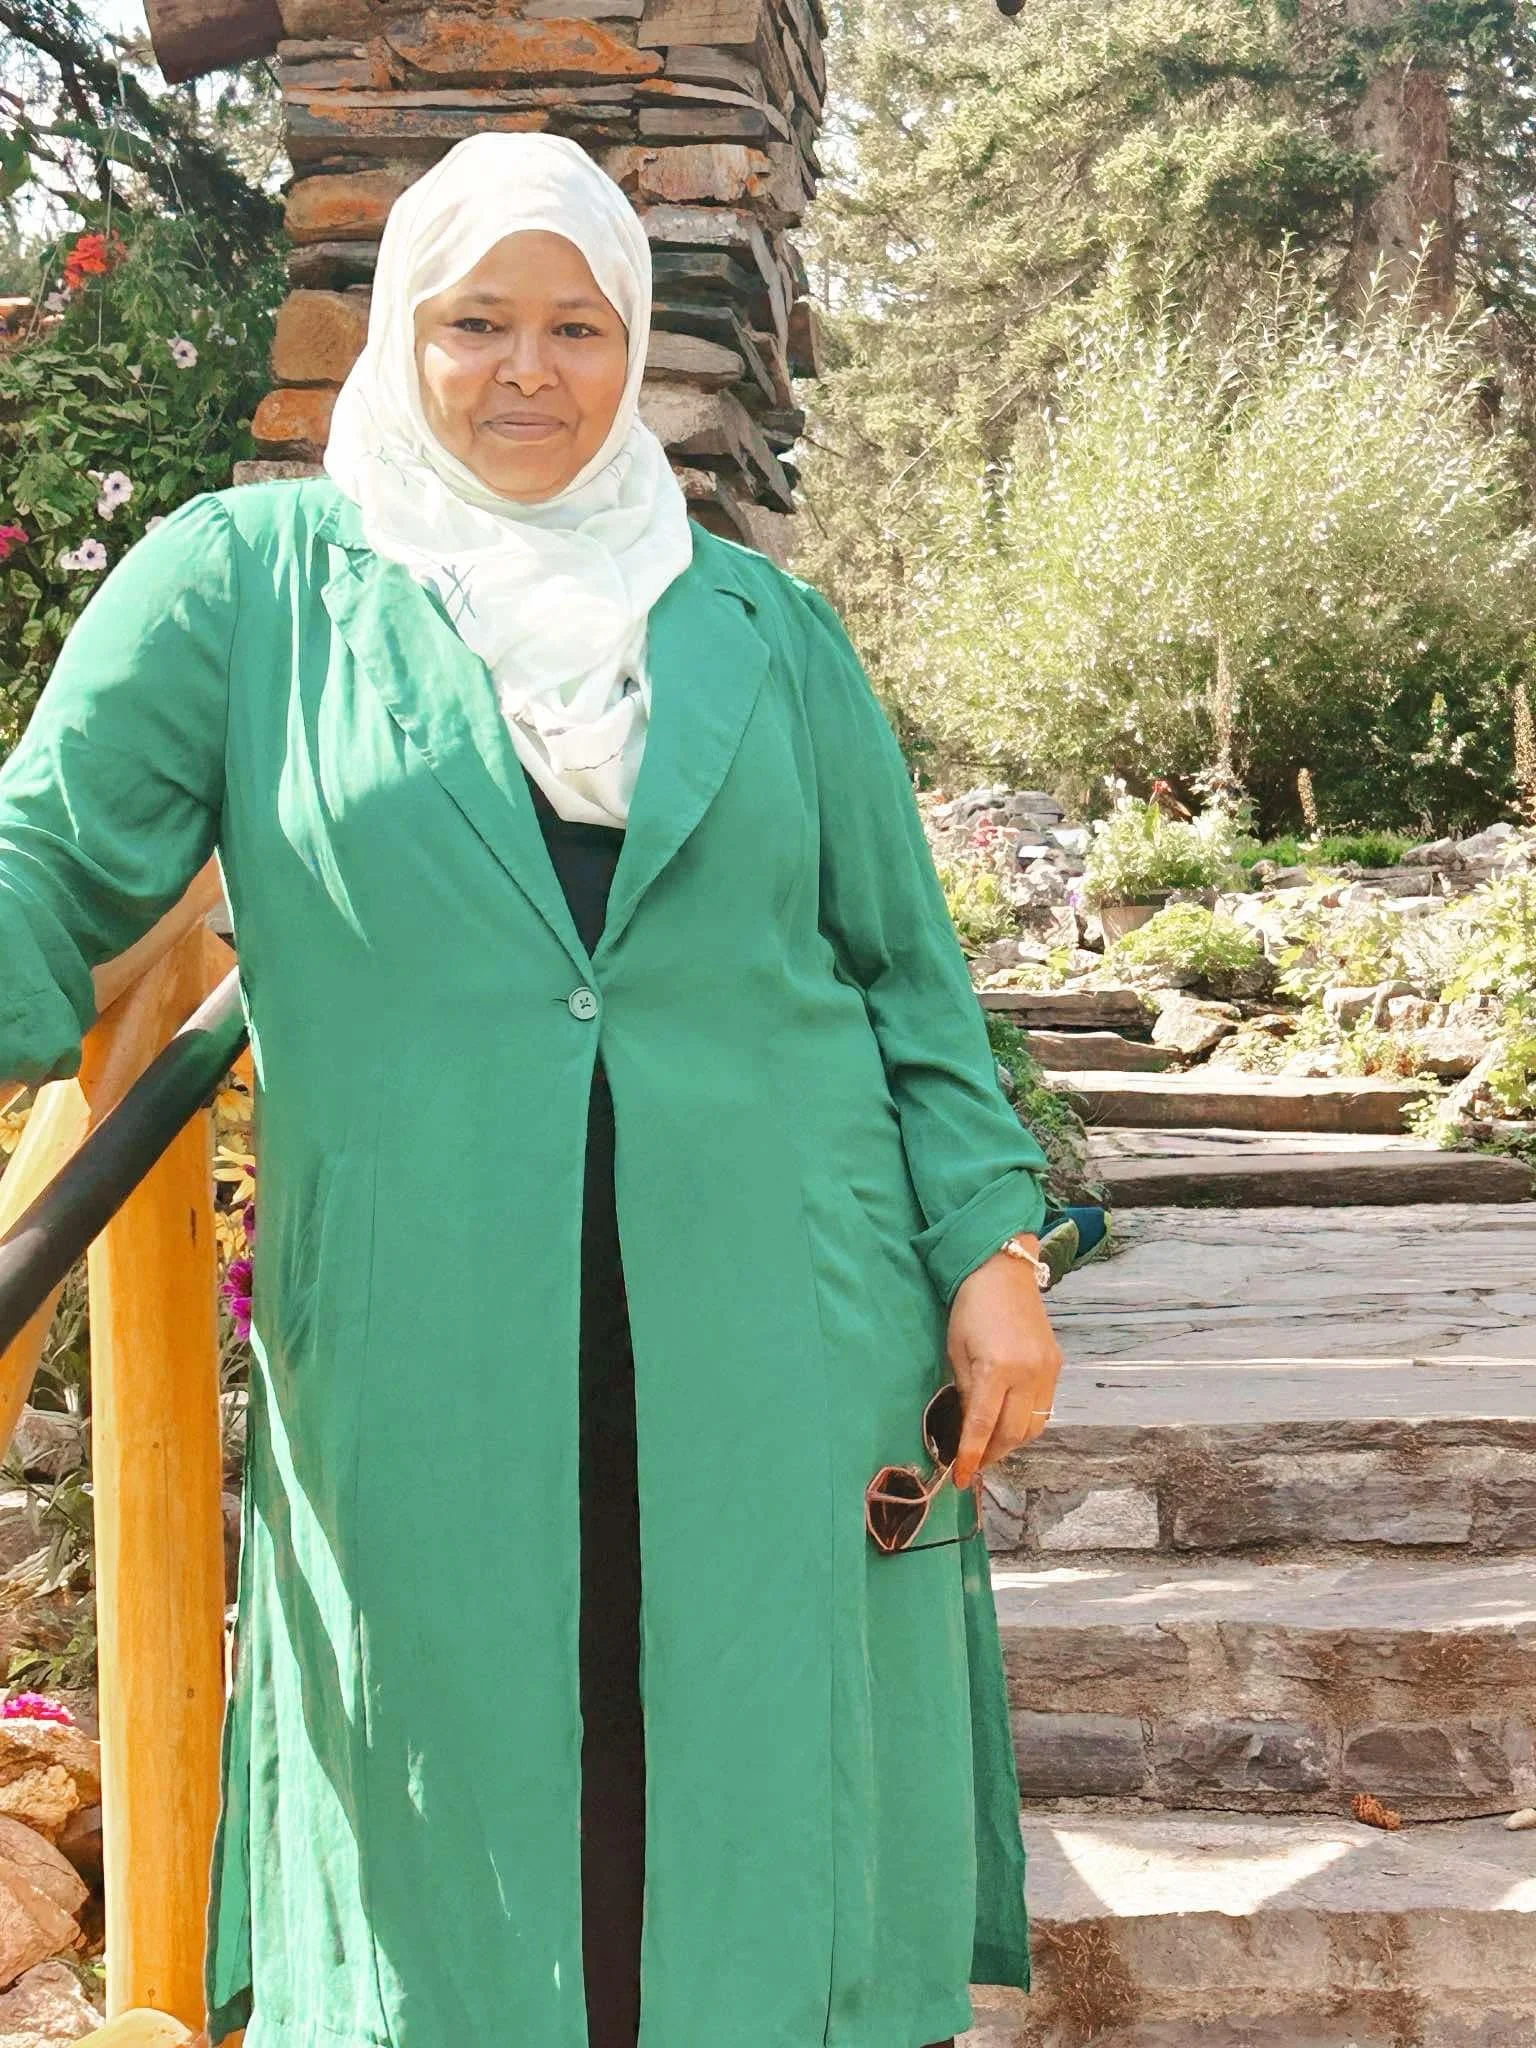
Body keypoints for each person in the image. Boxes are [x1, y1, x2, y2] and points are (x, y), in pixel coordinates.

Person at [0, 133, 1064, 2048]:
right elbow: (49, 866)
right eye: (477, 321)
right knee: (459, 1757)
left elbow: (903, 972)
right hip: (430, 1321)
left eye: (578, 326)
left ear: (632, 346)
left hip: (783, 1315)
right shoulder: (246, 594)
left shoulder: (764, 630)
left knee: (749, 1751)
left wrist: (992, 1248)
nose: (528, 371)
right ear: (398, 335)